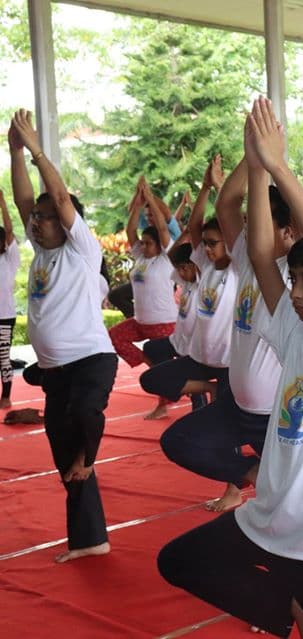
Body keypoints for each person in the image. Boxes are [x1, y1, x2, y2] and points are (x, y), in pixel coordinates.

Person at [158, 97, 303, 639]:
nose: (299, 291)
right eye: (298, 280)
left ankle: (302, 614)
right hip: (270, 521)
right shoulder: (292, 330)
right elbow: (261, 256)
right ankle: (285, 613)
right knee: (180, 561)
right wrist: (256, 169)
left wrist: (281, 165)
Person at [9, 109, 119, 563]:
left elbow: (54, 193)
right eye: (35, 219)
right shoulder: (41, 251)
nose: (37, 222)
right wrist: (13, 152)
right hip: (54, 372)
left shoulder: (81, 249)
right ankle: (90, 540)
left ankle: (89, 458)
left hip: (91, 359)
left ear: (68, 222)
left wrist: (35, 149)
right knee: (63, 454)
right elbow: (23, 199)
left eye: (47, 218)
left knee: (87, 413)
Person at [161, 149, 297, 513]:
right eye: (250, 224)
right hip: (236, 407)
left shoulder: (295, 275)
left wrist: (275, 167)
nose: (249, 231)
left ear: (288, 231)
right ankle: (250, 472)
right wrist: (253, 157)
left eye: (261, 224)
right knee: (180, 441)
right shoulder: (249, 262)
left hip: (275, 415)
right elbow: (226, 206)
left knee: (290, 506)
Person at [140, 157, 233, 422]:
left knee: (226, 427)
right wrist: (205, 187)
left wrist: (220, 187)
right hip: (200, 357)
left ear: (231, 242)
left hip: (228, 362)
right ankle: (207, 390)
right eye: (204, 243)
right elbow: (194, 227)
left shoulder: (239, 269)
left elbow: (233, 219)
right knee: (152, 379)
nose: (206, 248)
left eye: (213, 243)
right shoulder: (204, 264)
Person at [108, 176, 177, 372]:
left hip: (163, 323)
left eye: (148, 243)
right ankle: (149, 363)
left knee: (164, 367)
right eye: (143, 242)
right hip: (140, 321)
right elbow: (130, 230)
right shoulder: (140, 257)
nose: (143, 246)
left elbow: (163, 227)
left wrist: (150, 198)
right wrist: (138, 204)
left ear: (159, 245)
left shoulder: (166, 258)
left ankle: (170, 396)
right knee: (114, 337)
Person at [139, 243, 203, 418]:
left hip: (193, 349)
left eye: (183, 268)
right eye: (178, 269)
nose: (180, 273)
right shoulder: (185, 280)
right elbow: (172, 255)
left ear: (195, 265)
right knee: (152, 348)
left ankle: (198, 401)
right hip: (177, 341)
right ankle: (183, 386)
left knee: (197, 393)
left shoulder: (203, 284)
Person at [0, 188, 21, 409]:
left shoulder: (9, 259)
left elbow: (9, 230)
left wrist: (3, 204)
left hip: (4, 317)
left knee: (3, 358)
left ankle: (6, 396)